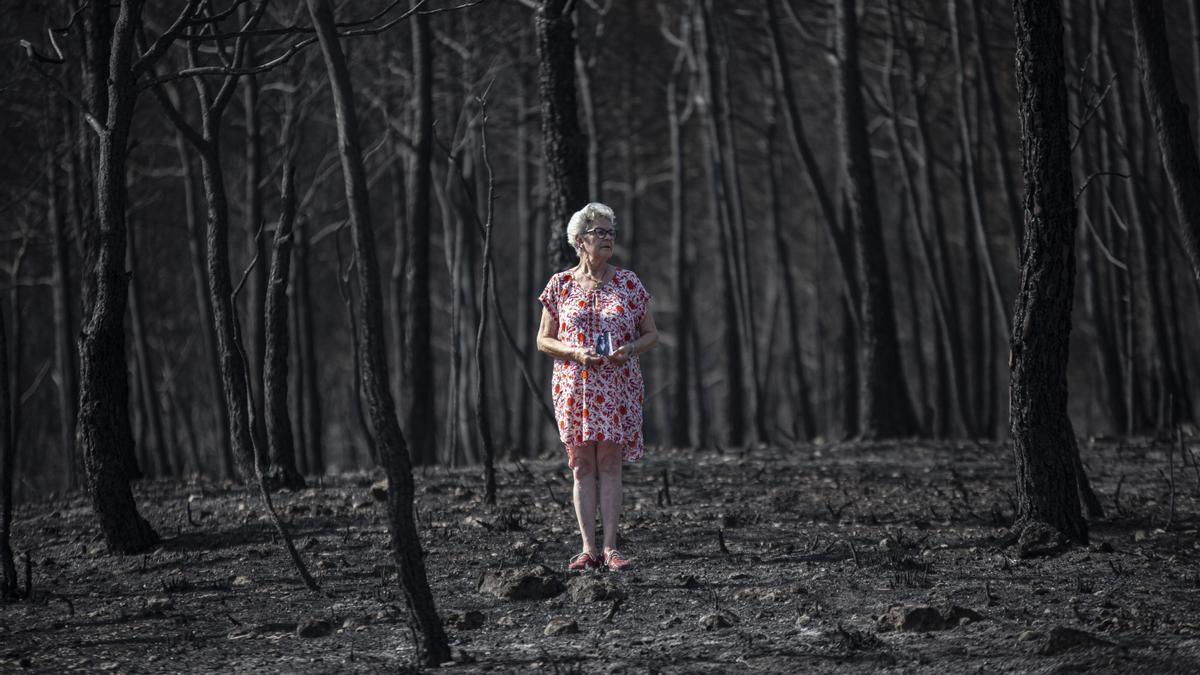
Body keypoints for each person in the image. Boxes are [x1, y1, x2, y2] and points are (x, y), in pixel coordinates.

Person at [536, 202, 658, 572]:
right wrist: (574, 351)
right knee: (581, 466)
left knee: (609, 461)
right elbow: (544, 340)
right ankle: (587, 549)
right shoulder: (560, 284)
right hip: (575, 384)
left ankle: (610, 549)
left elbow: (651, 334)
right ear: (579, 240)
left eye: (611, 232)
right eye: (599, 232)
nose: (607, 239)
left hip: (617, 383)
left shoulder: (628, 282)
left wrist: (629, 349)